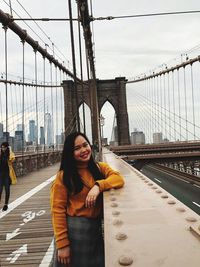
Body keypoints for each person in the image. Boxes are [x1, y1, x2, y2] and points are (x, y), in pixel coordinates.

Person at [50, 132, 124, 267]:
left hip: (94, 233)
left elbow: (118, 178)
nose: (83, 150)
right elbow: (57, 211)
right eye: (77, 148)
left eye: (85, 145)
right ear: (69, 153)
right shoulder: (63, 177)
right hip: (73, 235)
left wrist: (98, 186)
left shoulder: (99, 168)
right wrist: (62, 245)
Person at [0, 142, 17, 211]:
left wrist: (10, 150)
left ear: (7, 147)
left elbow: (13, 158)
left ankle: (6, 204)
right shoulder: (0, 153)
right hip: (0, 174)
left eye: (4, 147)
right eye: (2, 147)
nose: (3, 148)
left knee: (7, 189)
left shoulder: (9, 154)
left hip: (7, 174)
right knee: (0, 190)